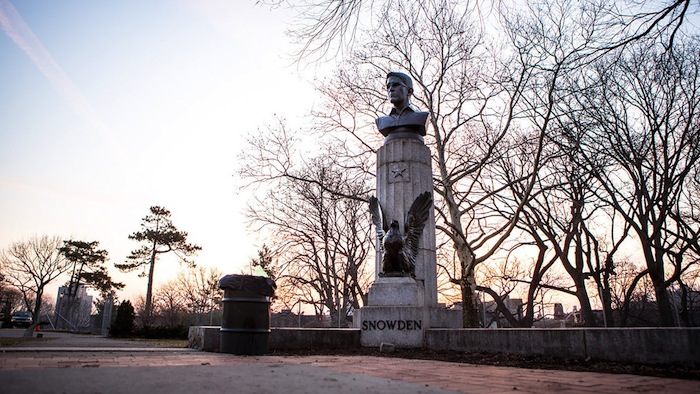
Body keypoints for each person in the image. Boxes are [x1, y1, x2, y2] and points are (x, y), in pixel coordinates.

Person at [375, 72, 429, 141]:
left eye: (396, 85)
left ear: (409, 92)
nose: (391, 89)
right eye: (388, 86)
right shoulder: (382, 121)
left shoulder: (422, 117)